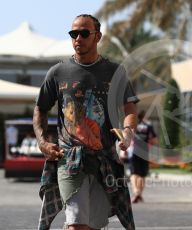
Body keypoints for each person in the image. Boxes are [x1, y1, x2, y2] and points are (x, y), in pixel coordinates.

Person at [33, 14, 138, 230]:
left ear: (97, 36)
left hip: (104, 160)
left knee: (91, 226)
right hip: (69, 160)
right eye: (73, 34)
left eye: (84, 33)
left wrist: (127, 132)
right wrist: (42, 142)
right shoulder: (57, 72)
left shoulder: (115, 72)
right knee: (77, 225)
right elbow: (40, 109)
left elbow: (130, 108)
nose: (77, 38)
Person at [129, 110, 157, 203]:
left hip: (135, 152)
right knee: (142, 174)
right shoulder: (148, 126)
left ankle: (135, 191)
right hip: (144, 152)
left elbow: (128, 137)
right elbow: (154, 140)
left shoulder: (133, 125)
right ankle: (139, 193)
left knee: (134, 173)